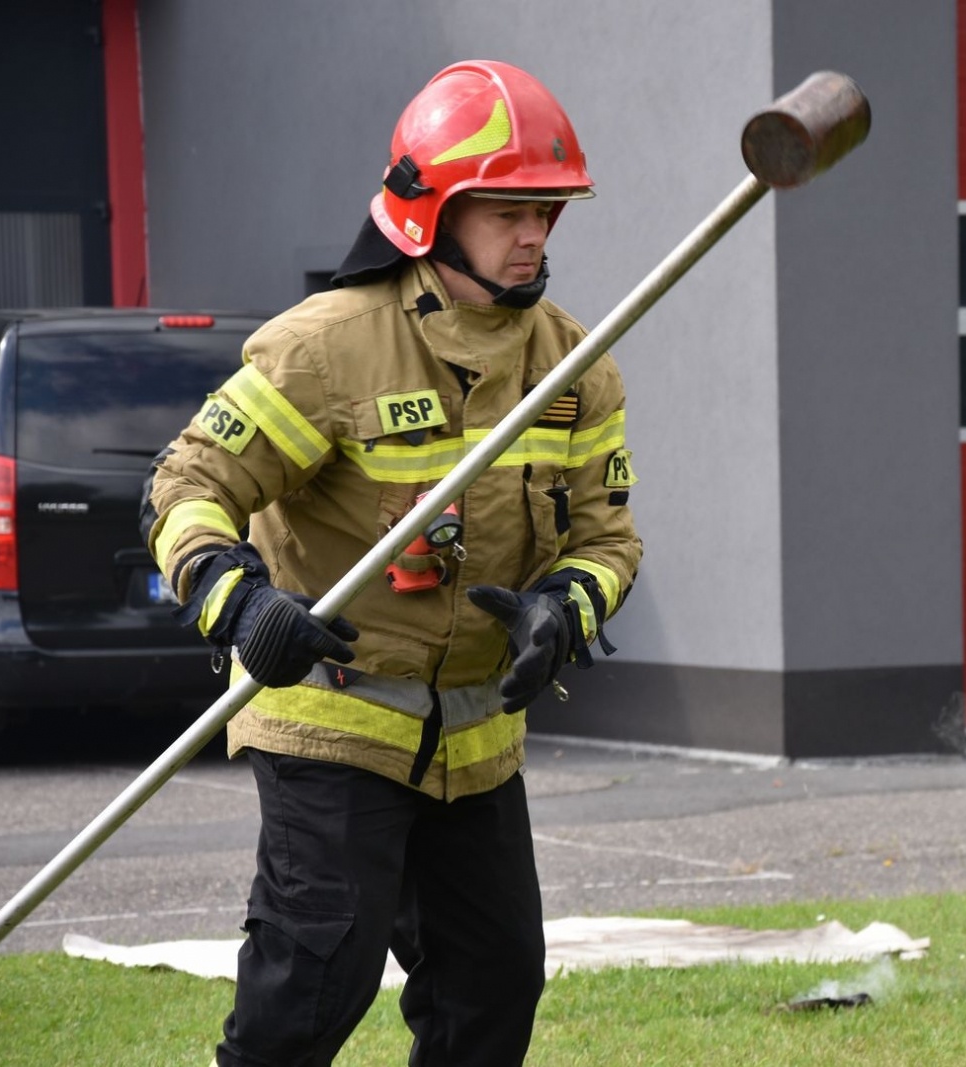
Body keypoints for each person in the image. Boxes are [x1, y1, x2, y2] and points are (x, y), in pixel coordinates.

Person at [144, 59, 642, 1066]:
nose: (535, 234)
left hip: (476, 737)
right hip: (331, 711)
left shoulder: (575, 365)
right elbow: (182, 487)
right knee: (317, 976)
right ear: (431, 214)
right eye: (507, 209)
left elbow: (607, 537)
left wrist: (565, 611)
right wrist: (242, 606)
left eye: (548, 210)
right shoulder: (327, 350)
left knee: (493, 980)